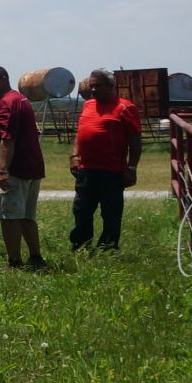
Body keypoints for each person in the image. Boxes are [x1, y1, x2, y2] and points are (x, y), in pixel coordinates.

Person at [0, 65, 46, 270]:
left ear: (4, 78)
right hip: (29, 167)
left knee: (9, 217)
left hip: (14, 171)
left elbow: (7, 139)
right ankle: (35, 258)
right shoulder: (19, 99)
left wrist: (2, 171)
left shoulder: (8, 103)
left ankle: (14, 262)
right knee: (26, 216)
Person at [70, 67, 143, 250]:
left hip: (112, 171)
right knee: (81, 210)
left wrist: (131, 168)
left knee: (110, 213)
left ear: (112, 86)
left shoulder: (125, 108)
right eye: (92, 86)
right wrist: (74, 155)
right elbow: (81, 133)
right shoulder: (88, 105)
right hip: (86, 169)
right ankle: (80, 245)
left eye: (98, 86)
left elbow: (135, 140)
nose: (94, 90)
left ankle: (107, 249)